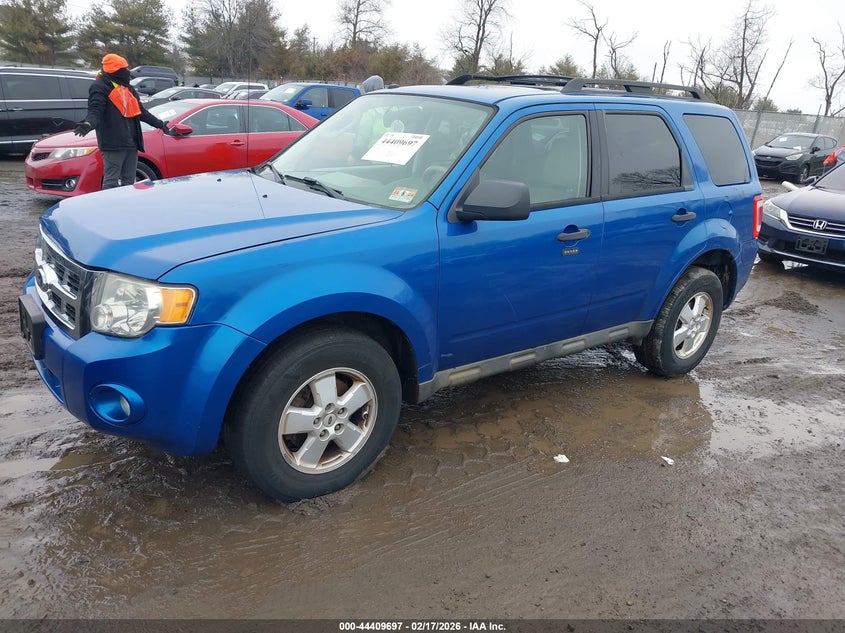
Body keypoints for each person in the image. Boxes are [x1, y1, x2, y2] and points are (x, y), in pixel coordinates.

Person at [74, 53, 174, 189]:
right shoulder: (100, 86)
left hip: (131, 142)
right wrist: (88, 124)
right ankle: (110, 202)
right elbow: (95, 111)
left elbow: (141, 112)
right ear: (114, 70)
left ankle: (127, 202)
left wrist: (160, 124)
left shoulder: (128, 88)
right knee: (111, 181)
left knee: (129, 181)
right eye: (123, 69)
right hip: (113, 143)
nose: (127, 72)